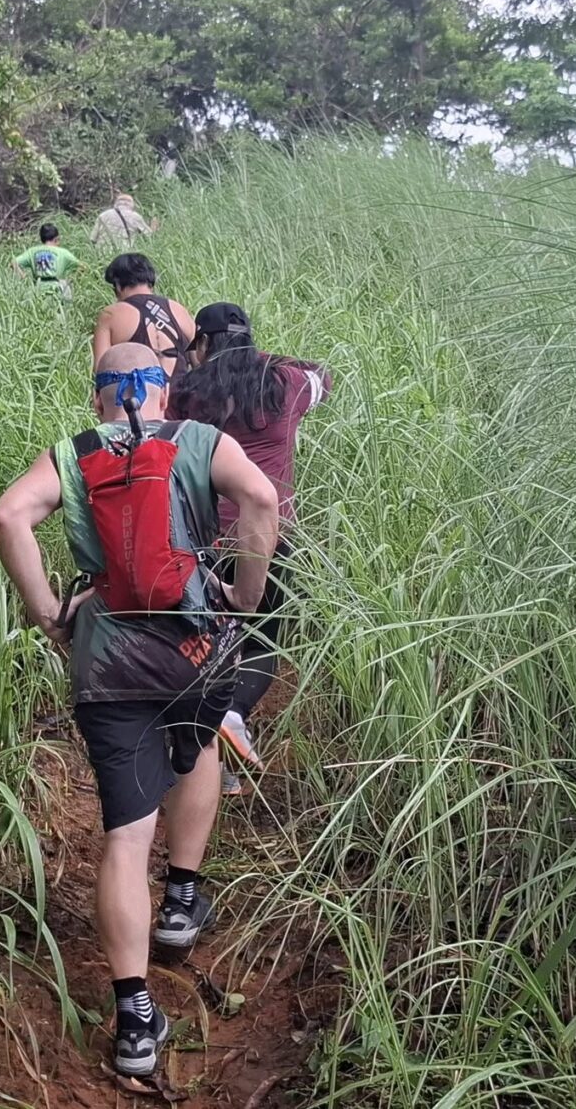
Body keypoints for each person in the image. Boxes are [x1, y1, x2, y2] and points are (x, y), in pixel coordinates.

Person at [0, 342, 280, 1082]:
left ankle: (134, 1021)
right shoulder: (198, 440)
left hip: (108, 661)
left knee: (124, 835)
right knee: (200, 746)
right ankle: (181, 901)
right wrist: (245, 597)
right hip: (194, 649)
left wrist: (49, 614)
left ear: (97, 396)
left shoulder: (72, 451)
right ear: (165, 389)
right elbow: (261, 498)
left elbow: (8, 516)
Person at [168, 303, 333, 796]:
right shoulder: (287, 383)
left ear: (203, 343)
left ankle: (203, 752)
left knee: (201, 645)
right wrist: (261, 357)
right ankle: (234, 713)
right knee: (263, 641)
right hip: (269, 535)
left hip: (200, 536)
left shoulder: (185, 393)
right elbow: (323, 374)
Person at [94, 253, 193, 374]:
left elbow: (101, 369)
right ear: (151, 281)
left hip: (136, 386)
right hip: (184, 386)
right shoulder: (179, 310)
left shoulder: (110, 314)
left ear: (118, 285)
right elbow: (199, 360)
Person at [12, 223, 80, 298]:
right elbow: (83, 267)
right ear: (56, 239)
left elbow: (14, 263)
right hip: (57, 290)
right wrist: (71, 281)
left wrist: (23, 276)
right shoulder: (63, 252)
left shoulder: (32, 252)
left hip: (38, 291)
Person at [91, 192, 156, 251]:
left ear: (116, 203)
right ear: (132, 204)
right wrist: (154, 226)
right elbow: (149, 235)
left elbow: (92, 238)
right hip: (123, 253)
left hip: (102, 252)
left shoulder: (103, 215)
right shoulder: (135, 217)